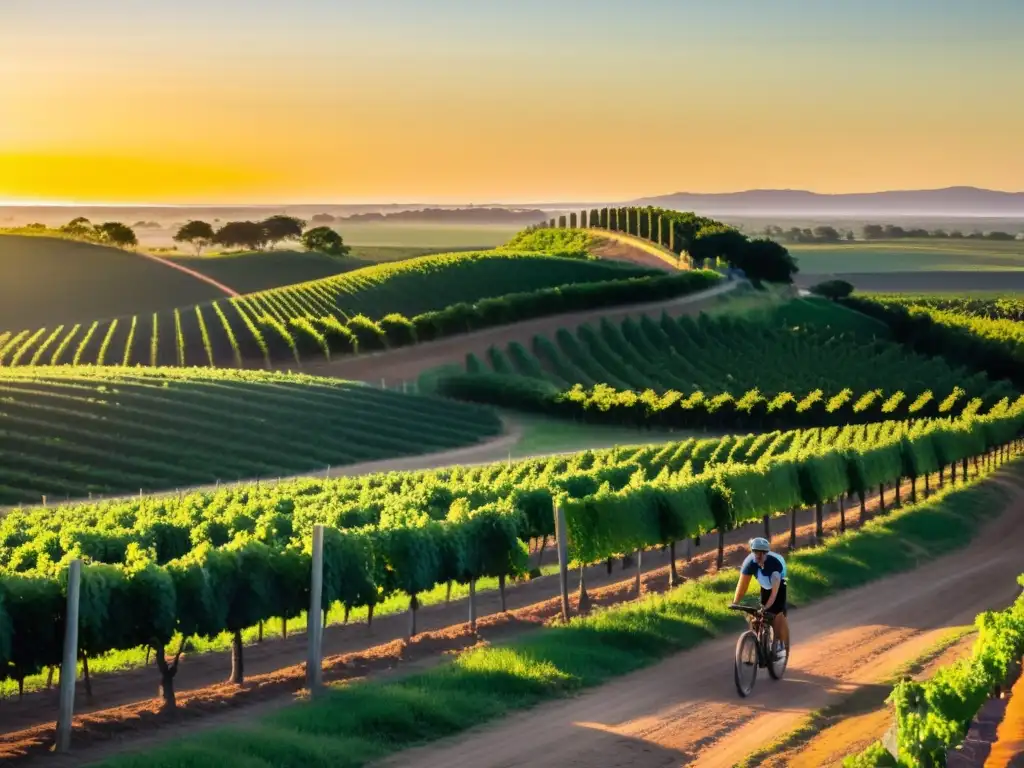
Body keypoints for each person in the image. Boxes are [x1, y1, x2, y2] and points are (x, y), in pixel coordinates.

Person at [732, 537, 789, 661]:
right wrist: (735, 602)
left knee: (776, 613)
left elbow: (774, 595)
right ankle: (755, 645)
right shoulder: (749, 564)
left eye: (762, 552)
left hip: (778, 585)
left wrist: (766, 608)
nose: (759, 555)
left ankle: (779, 644)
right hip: (765, 585)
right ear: (752, 552)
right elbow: (742, 586)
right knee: (756, 616)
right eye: (756, 552)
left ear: (766, 553)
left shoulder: (775, 566)